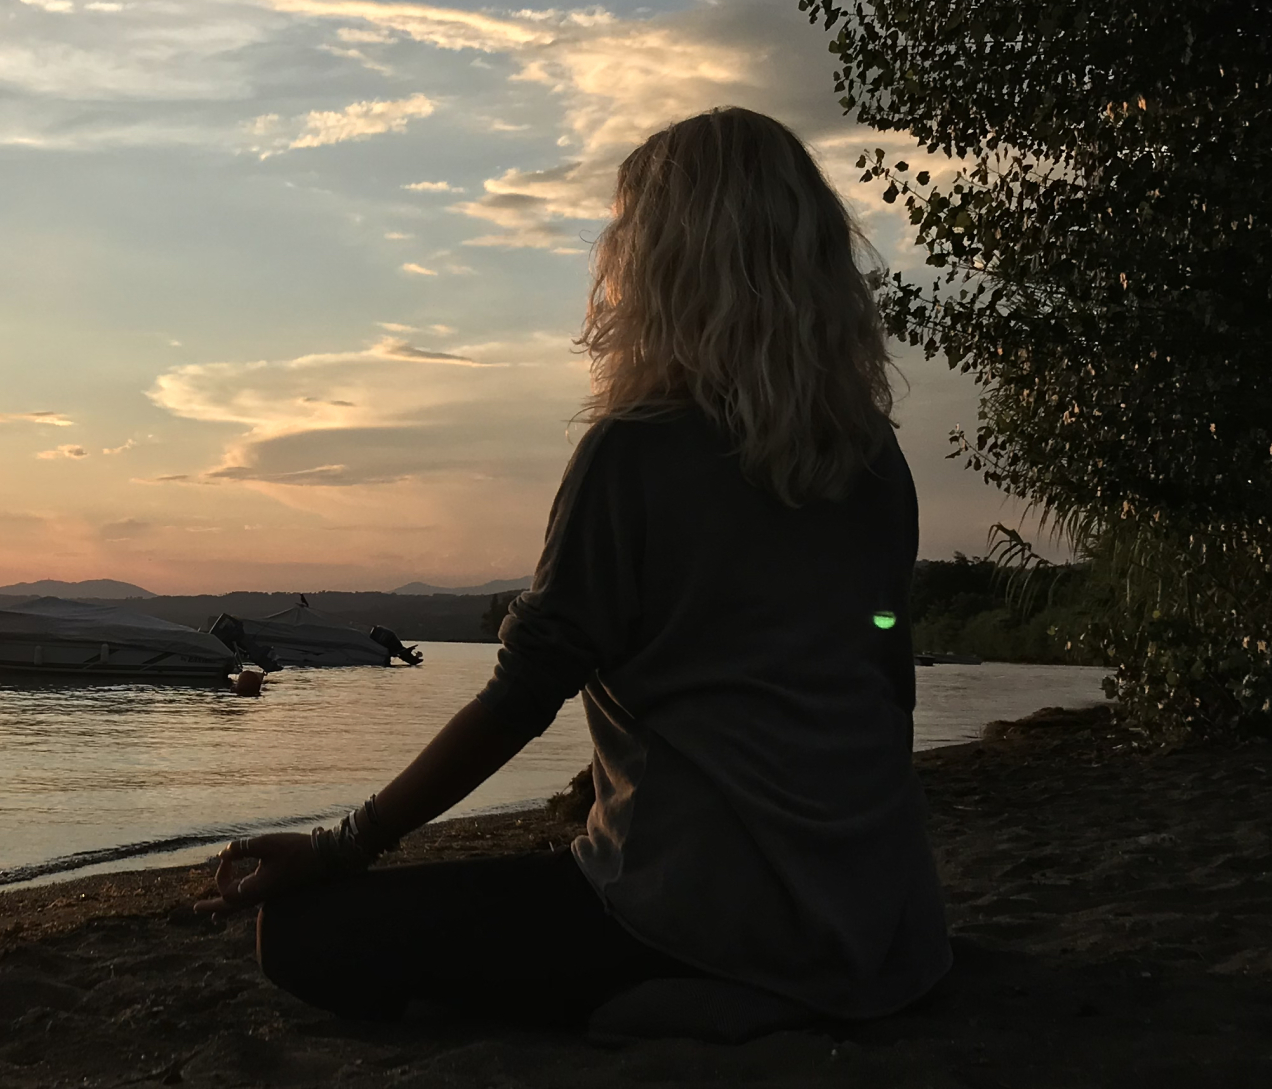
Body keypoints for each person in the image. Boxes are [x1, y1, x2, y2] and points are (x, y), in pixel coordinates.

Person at [195, 107, 951, 1036]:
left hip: (692, 909)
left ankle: (706, 994)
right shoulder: (873, 461)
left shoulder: (637, 450)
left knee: (300, 934)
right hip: (877, 923)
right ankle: (778, 974)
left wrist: (340, 846)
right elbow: (888, 682)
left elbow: (523, 694)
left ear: (659, 263)